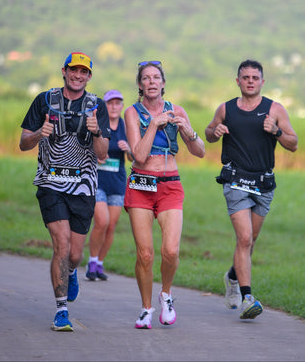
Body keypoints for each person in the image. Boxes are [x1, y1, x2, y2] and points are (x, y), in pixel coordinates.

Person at [19, 52, 110, 331]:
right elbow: (23, 143)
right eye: (74, 70)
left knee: (74, 254)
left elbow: (103, 154)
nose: (78, 76)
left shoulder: (97, 106)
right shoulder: (45, 101)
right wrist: (39, 134)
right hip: (50, 183)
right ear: (64, 71)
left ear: (89, 76)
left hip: (83, 187)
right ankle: (61, 311)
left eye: (83, 72)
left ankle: (71, 271)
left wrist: (96, 132)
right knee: (61, 243)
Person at [205, 59, 298, 320]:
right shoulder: (226, 108)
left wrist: (276, 130)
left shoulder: (275, 109)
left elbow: (293, 143)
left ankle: (232, 277)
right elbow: (209, 132)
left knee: (250, 241)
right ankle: (248, 298)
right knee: (244, 239)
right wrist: (216, 131)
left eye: (254, 78)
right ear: (238, 81)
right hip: (235, 179)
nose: (250, 81)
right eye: (245, 77)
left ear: (262, 81)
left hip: (263, 182)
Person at [124, 60, 205, 329]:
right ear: (140, 84)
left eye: (156, 77)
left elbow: (200, 151)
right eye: (145, 78)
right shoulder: (132, 113)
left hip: (170, 185)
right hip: (141, 185)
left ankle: (166, 295)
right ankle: (146, 308)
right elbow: (139, 155)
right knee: (145, 254)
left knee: (170, 250)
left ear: (163, 83)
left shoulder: (177, 110)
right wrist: (154, 125)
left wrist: (188, 131)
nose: (151, 82)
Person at [86, 89, 132, 281]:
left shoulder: (126, 127)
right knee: (102, 221)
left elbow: (134, 157)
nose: (114, 106)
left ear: (121, 106)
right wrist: (97, 155)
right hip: (98, 181)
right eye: (110, 103)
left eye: (117, 103)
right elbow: (87, 148)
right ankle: (91, 261)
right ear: (105, 105)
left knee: (111, 226)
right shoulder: (99, 124)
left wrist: (128, 148)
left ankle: (100, 264)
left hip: (118, 182)